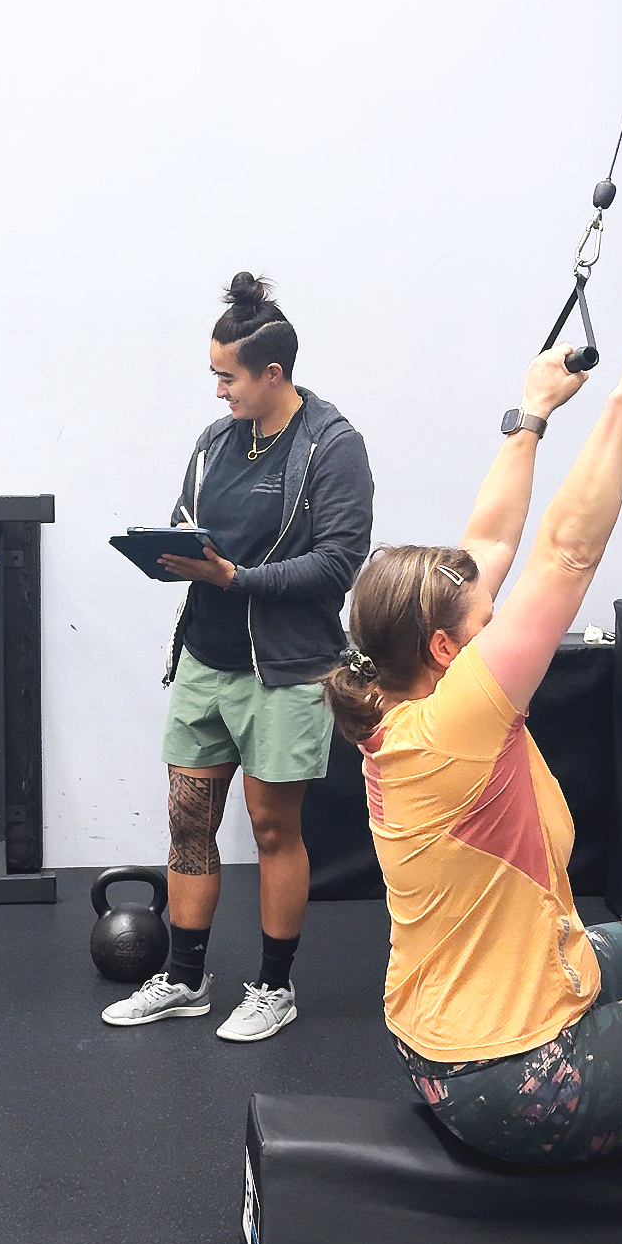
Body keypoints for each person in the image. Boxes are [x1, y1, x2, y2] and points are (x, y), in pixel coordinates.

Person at [324, 307, 622, 1223]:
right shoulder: (459, 724)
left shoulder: (407, 701)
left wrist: (530, 414)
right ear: (446, 650)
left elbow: (485, 549)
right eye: (484, 620)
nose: (501, 617)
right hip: (512, 1080)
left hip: (444, 1036)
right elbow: (566, 551)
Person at [104, 272, 374, 1042]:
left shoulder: (333, 445)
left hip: (285, 669)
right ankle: (183, 978)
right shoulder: (215, 442)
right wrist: (171, 553)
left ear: (272, 375)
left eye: (228, 377)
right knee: (187, 822)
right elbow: (187, 525)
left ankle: (273, 987)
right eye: (214, 376)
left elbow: (337, 566)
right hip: (203, 659)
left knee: (269, 830)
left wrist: (236, 577)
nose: (218, 391)